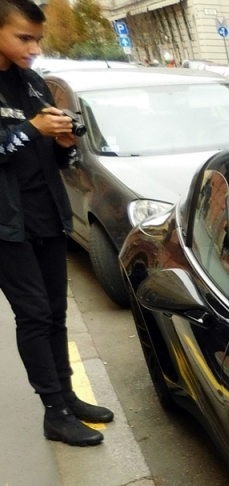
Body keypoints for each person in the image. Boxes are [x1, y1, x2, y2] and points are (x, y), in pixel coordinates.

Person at [0, 0, 112, 446]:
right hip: (7, 226)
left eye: (37, 39)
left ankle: (68, 396)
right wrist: (32, 129)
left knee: (57, 313)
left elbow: (54, 157)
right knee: (34, 316)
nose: (33, 47)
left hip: (46, 213)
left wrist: (65, 143)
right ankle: (54, 411)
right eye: (23, 37)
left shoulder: (31, 84)